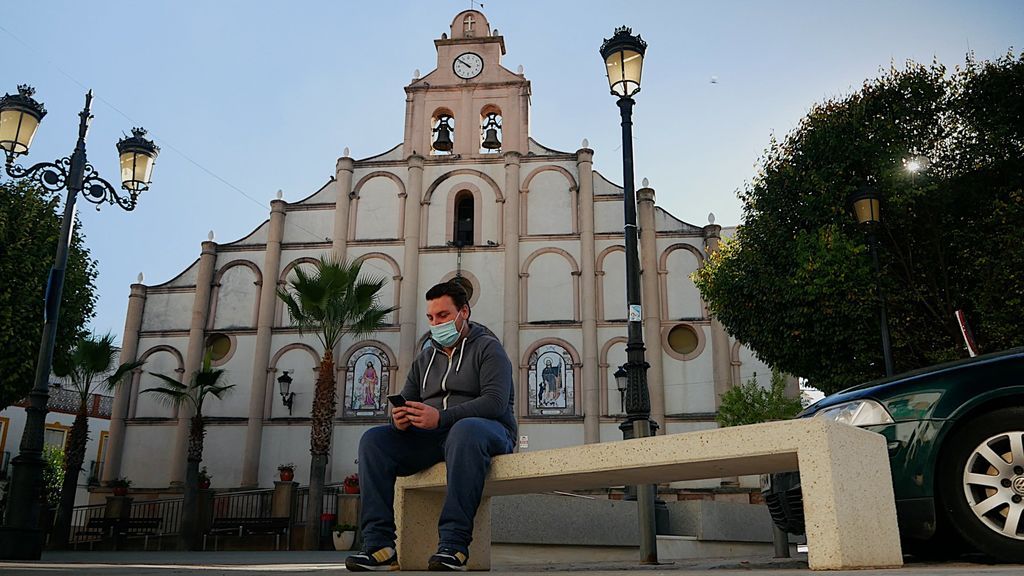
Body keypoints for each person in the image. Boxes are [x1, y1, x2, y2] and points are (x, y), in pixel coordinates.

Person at [345, 281, 517, 572]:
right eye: (431, 317)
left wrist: (443, 417)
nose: (436, 323)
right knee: (374, 440)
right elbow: (408, 402)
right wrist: (400, 421)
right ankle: (379, 545)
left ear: (464, 312)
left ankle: (454, 544)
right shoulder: (424, 359)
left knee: (465, 430)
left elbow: (495, 402)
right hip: (433, 437)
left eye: (443, 315)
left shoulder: (489, 349)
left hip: (488, 431)